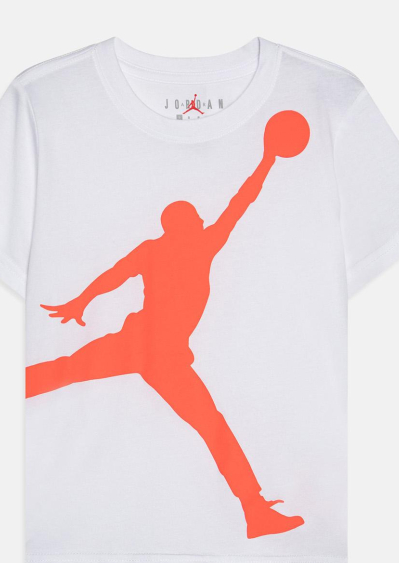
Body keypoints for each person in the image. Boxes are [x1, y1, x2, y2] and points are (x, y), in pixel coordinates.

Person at [26, 122, 306, 539]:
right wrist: (266, 159)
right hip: (161, 354)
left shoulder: (160, 248)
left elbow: (113, 275)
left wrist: (81, 301)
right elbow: (241, 201)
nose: (200, 219)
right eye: (194, 217)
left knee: (65, 370)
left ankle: (255, 511)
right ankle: (254, 510)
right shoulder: (202, 244)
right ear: (183, 224)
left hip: (142, 346)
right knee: (212, 427)